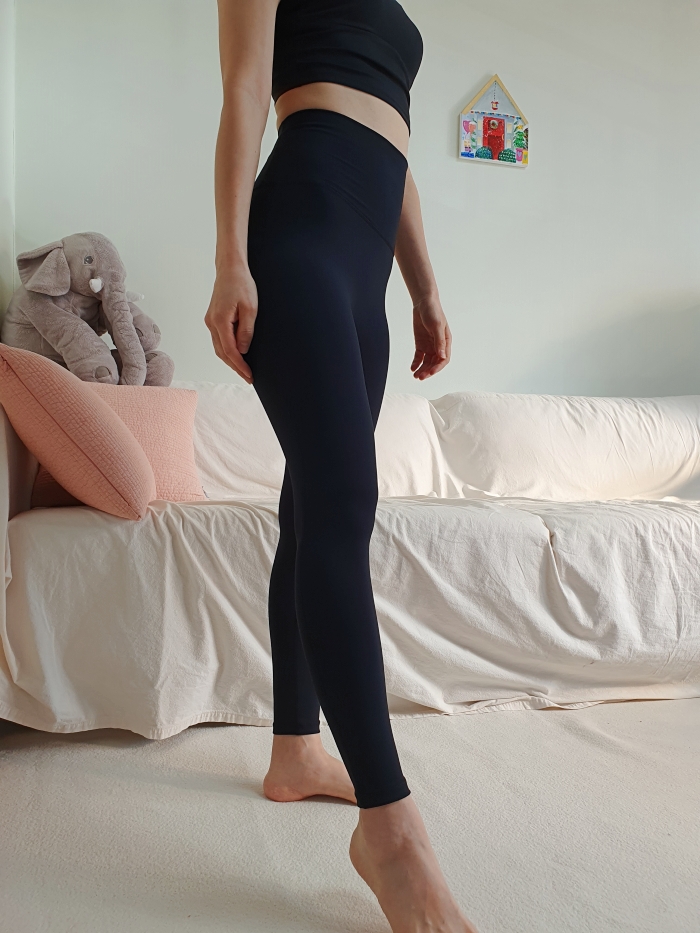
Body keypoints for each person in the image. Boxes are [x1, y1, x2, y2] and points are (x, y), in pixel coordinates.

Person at [206, 2, 477, 930]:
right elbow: (246, 88)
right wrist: (230, 259)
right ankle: (392, 835)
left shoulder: (390, 16)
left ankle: (295, 751)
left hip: (366, 268)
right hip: (299, 237)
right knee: (343, 503)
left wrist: (424, 287)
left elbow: (394, 143)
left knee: (312, 505)